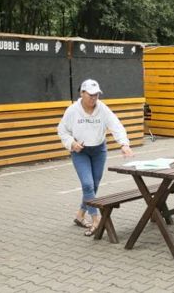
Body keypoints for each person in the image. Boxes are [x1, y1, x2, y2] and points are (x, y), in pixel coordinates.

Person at [58, 79, 133, 236]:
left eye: (96, 95)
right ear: (82, 93)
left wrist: (124, 144)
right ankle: (96, 220)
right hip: (80, 152)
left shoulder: (102, 109)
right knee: (88, 185)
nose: (94, 98)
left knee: (93, 185)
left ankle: (80, 215)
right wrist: (71, 143)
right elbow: (62, 130)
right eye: (90, 95)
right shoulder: (72, 110)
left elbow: (116, 125)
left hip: (99, 150)